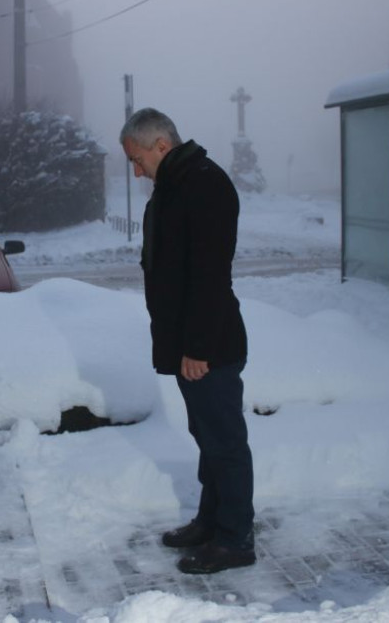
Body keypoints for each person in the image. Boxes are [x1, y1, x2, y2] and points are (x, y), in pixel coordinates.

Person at [120, 108, 255, 575]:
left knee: (225, 441)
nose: (135, 171)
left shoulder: (205, 185)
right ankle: (212, 520)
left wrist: (197, 347)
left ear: (161, 144)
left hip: (209, 344)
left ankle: (236, 539)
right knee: (207, 436)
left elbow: (210, 275)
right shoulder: (175, 184)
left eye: (137, 159)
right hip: (188, 343)